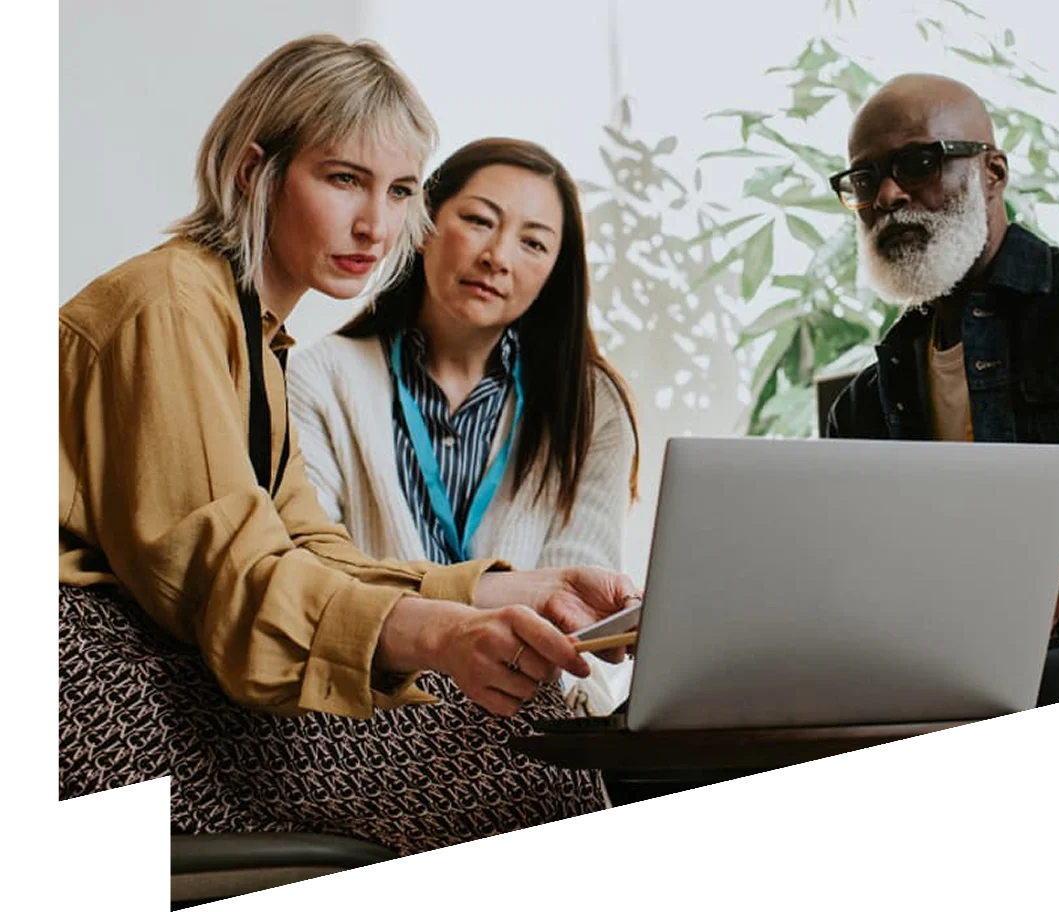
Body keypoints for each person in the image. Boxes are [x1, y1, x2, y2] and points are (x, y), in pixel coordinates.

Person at [56, 35, 635, 847]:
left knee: (528, 723)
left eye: (399, 191)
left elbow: (309, 547)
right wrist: (441, 634)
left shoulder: (250, 331)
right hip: (97, 685)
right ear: (254, 172)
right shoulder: (172, 305)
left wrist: (510, 592)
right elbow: (235, 584)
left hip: (161, 668)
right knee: (522, 748)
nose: (376, 224)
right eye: (343, 179)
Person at [823, 73, 1059, 710]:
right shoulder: (864, 406)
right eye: (864, 180)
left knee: (1054, 685)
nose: (888, 194)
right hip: (963, 669)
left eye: (917, 162)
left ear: (993, 173)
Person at [286, 137, 641, 718]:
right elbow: (315, 577)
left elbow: (580, 622)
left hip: (529, 707)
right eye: (478, 221)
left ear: (554, 270)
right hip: (367, 706)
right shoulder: (319, 379)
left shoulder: (591, 405)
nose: (497, 256)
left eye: (533, 243)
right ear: (423, 224)